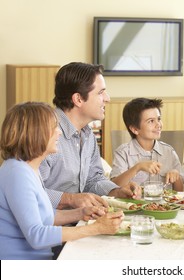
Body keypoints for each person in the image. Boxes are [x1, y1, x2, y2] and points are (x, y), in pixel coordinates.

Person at [0, 102, 124, 260]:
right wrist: (96, 228)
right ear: (35, 133)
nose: (59, 133)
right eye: (54, 128)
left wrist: (81, 213)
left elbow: (46, 216)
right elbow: (37, 235)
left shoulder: (28, 169)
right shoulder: (17, 174)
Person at [39, 62, 141, 210]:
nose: (107, 98)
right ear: (78, 99)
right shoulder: (44, 132)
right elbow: (28, 192)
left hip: (79, 221)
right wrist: (71, 199)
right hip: (49, 226)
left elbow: (92, 179)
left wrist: (116, 191)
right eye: (100, 92)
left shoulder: (87, 135)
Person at [110, 98, 184, 191]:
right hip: (134, 204)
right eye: (151, 121)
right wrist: (137, 167)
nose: (158, 124)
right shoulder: (123, 152)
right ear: (135, 129)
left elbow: (180, 192)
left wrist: (176, 177)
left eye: (159, 119)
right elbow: (113, 187)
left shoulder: (169, 151)